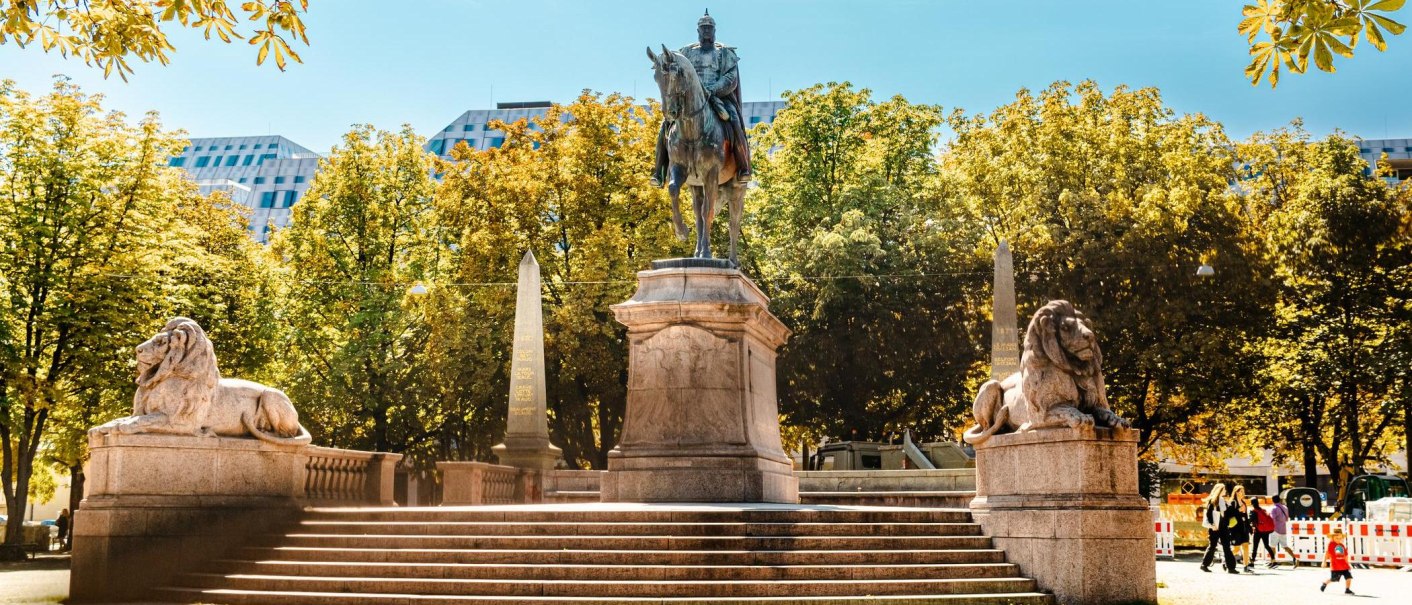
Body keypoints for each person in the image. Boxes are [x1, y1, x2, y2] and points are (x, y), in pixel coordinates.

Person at [650, 10, 753, 187]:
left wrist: (712, 89)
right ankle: (659, 171)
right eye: (703, 28)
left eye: (709, 28)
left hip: (717, 97)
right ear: (698, 31)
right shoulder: (686, 52)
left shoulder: (725, 53)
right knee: (665, 125)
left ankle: (743, 166)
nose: (706, 31)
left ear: (714, 31)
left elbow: (731, 79)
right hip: (689, 100)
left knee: (734, 121)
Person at [1199, 483, 1238, 573]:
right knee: (1213, 546)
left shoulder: (1223, 501)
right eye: (1223, 489)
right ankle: (1204, 565)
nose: (1225, 491)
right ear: (1220, 490)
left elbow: (1226, 514)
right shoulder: (1213, 501)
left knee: (1226, 546)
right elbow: (1208, 514)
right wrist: (1212, 525)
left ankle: (1231, 567)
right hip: (1215, 527)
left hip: (1223, 526)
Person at [1320, 527, 1354, 595]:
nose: (1339, 540)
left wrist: (1348, 564)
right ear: (1332, 538)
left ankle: (1347, 589)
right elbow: (1326, 553)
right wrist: (1324, 561)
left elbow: (1345, 556)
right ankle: (1325, 583)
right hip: (1335, 566)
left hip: (1344, 566)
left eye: (1340, 538)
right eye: (1336, 538)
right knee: (1334, 579)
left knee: (1349, 577)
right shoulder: (1331, 544)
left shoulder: (1342, 545)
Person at [1267, 493, 1298, 568]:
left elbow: (1272, 519)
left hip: (1275, 530)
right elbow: (1287, 518)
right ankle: (1294, 558)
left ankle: (1273, 561)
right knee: (1285, 546)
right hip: (1283, 529)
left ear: (1272, 500)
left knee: (1272, 547)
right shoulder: (1285, 507)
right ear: (1280, 500)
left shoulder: (1273, 508)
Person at [1228, 485, 1252, 572]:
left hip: (1244, 527)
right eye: (1241, 491)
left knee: (1246, 546)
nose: (1243, 493)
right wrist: (1238, 510)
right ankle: (1226, 559)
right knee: (1236, 549)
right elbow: (1229, 515)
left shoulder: (1244, 503)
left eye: (1243, 491)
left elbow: (1246, 516)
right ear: (1236, 492)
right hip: (1235, 528)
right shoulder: (1232, 502)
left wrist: (1249, 527)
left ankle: (1246, 566)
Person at [1248, 497, 1275, 569]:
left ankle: (1252, 562)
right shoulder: (1263, 510)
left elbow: (1250, 521)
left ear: (1252, 504)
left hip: (1258, 531)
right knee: (1266, 545)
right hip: (1265, 531)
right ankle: (1273, 560)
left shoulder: (1253, 511)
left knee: (1255, 547)